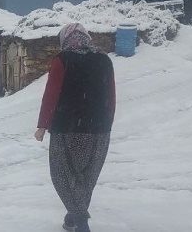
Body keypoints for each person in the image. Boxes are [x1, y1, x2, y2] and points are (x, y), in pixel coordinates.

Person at [34, 23, 116, 232]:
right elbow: (111, 96)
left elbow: (51, 94)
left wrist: (43, 125)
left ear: (65, 39)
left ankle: (81, 223)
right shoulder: (104, 60)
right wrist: (106, 124)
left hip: (67, 128)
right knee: (86, 178)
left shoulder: (63, 59)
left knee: (63, 175)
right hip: (99, 129)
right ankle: (73, 220)